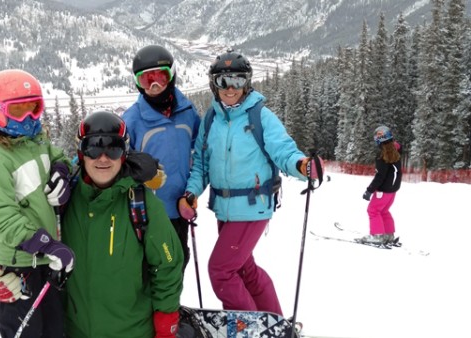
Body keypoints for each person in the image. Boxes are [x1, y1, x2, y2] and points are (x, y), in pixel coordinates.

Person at [177, 50, 322, 316]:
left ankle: (245, 327)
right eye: (223, 81)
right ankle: (273, 322)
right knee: (244, 268)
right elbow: (201, 165)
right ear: (214, 84)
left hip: (253, 206)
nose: (230, 88)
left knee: (221, 271)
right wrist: (192, 192)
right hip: (224, 208)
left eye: (238, 81)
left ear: (247, 82)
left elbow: (284, 150)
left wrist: (302, 166)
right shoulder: (211, 119)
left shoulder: (260, 116)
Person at [60, 111, 184, 337]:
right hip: (75, 330)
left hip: (132, 331)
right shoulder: (64, 200)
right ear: (81, 153)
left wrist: (166, 317)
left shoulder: (141, 203)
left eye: (113, 148)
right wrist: (0, 261)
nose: (103, 158)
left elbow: (168, 263)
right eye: (93, 148)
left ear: (124, 153)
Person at [0, 69, 75, 338]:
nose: (29, 118)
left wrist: (61, 172)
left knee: (55, 329)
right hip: (18, 264)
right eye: (18, 110)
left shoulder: (36, 140)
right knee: (27, 332)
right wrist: (45, 244)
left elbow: (60, 157)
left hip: (43, 259)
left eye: (34, 108)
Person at [123, 44, 201, 273]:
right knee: (153, 266)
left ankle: (171, 306)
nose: (155, 86)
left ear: (172, 75)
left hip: (180, 207)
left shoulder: (187, 112)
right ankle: (152, 308)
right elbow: (117, 164)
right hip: (149, 213)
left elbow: (200, 151)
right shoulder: (132, 120)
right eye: (147, 80)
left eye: (161, 77)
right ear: (138, 84)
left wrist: (192, 191)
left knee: (180, 260)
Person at [359, 125, 402, 245]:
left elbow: (380, 176)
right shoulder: (396, 153)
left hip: (383, 191)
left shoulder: (383, 156)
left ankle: (377, 235)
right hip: (392, 191)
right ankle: (388, 235)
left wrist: (369, 190)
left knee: (373, 210)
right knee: (383, 211)